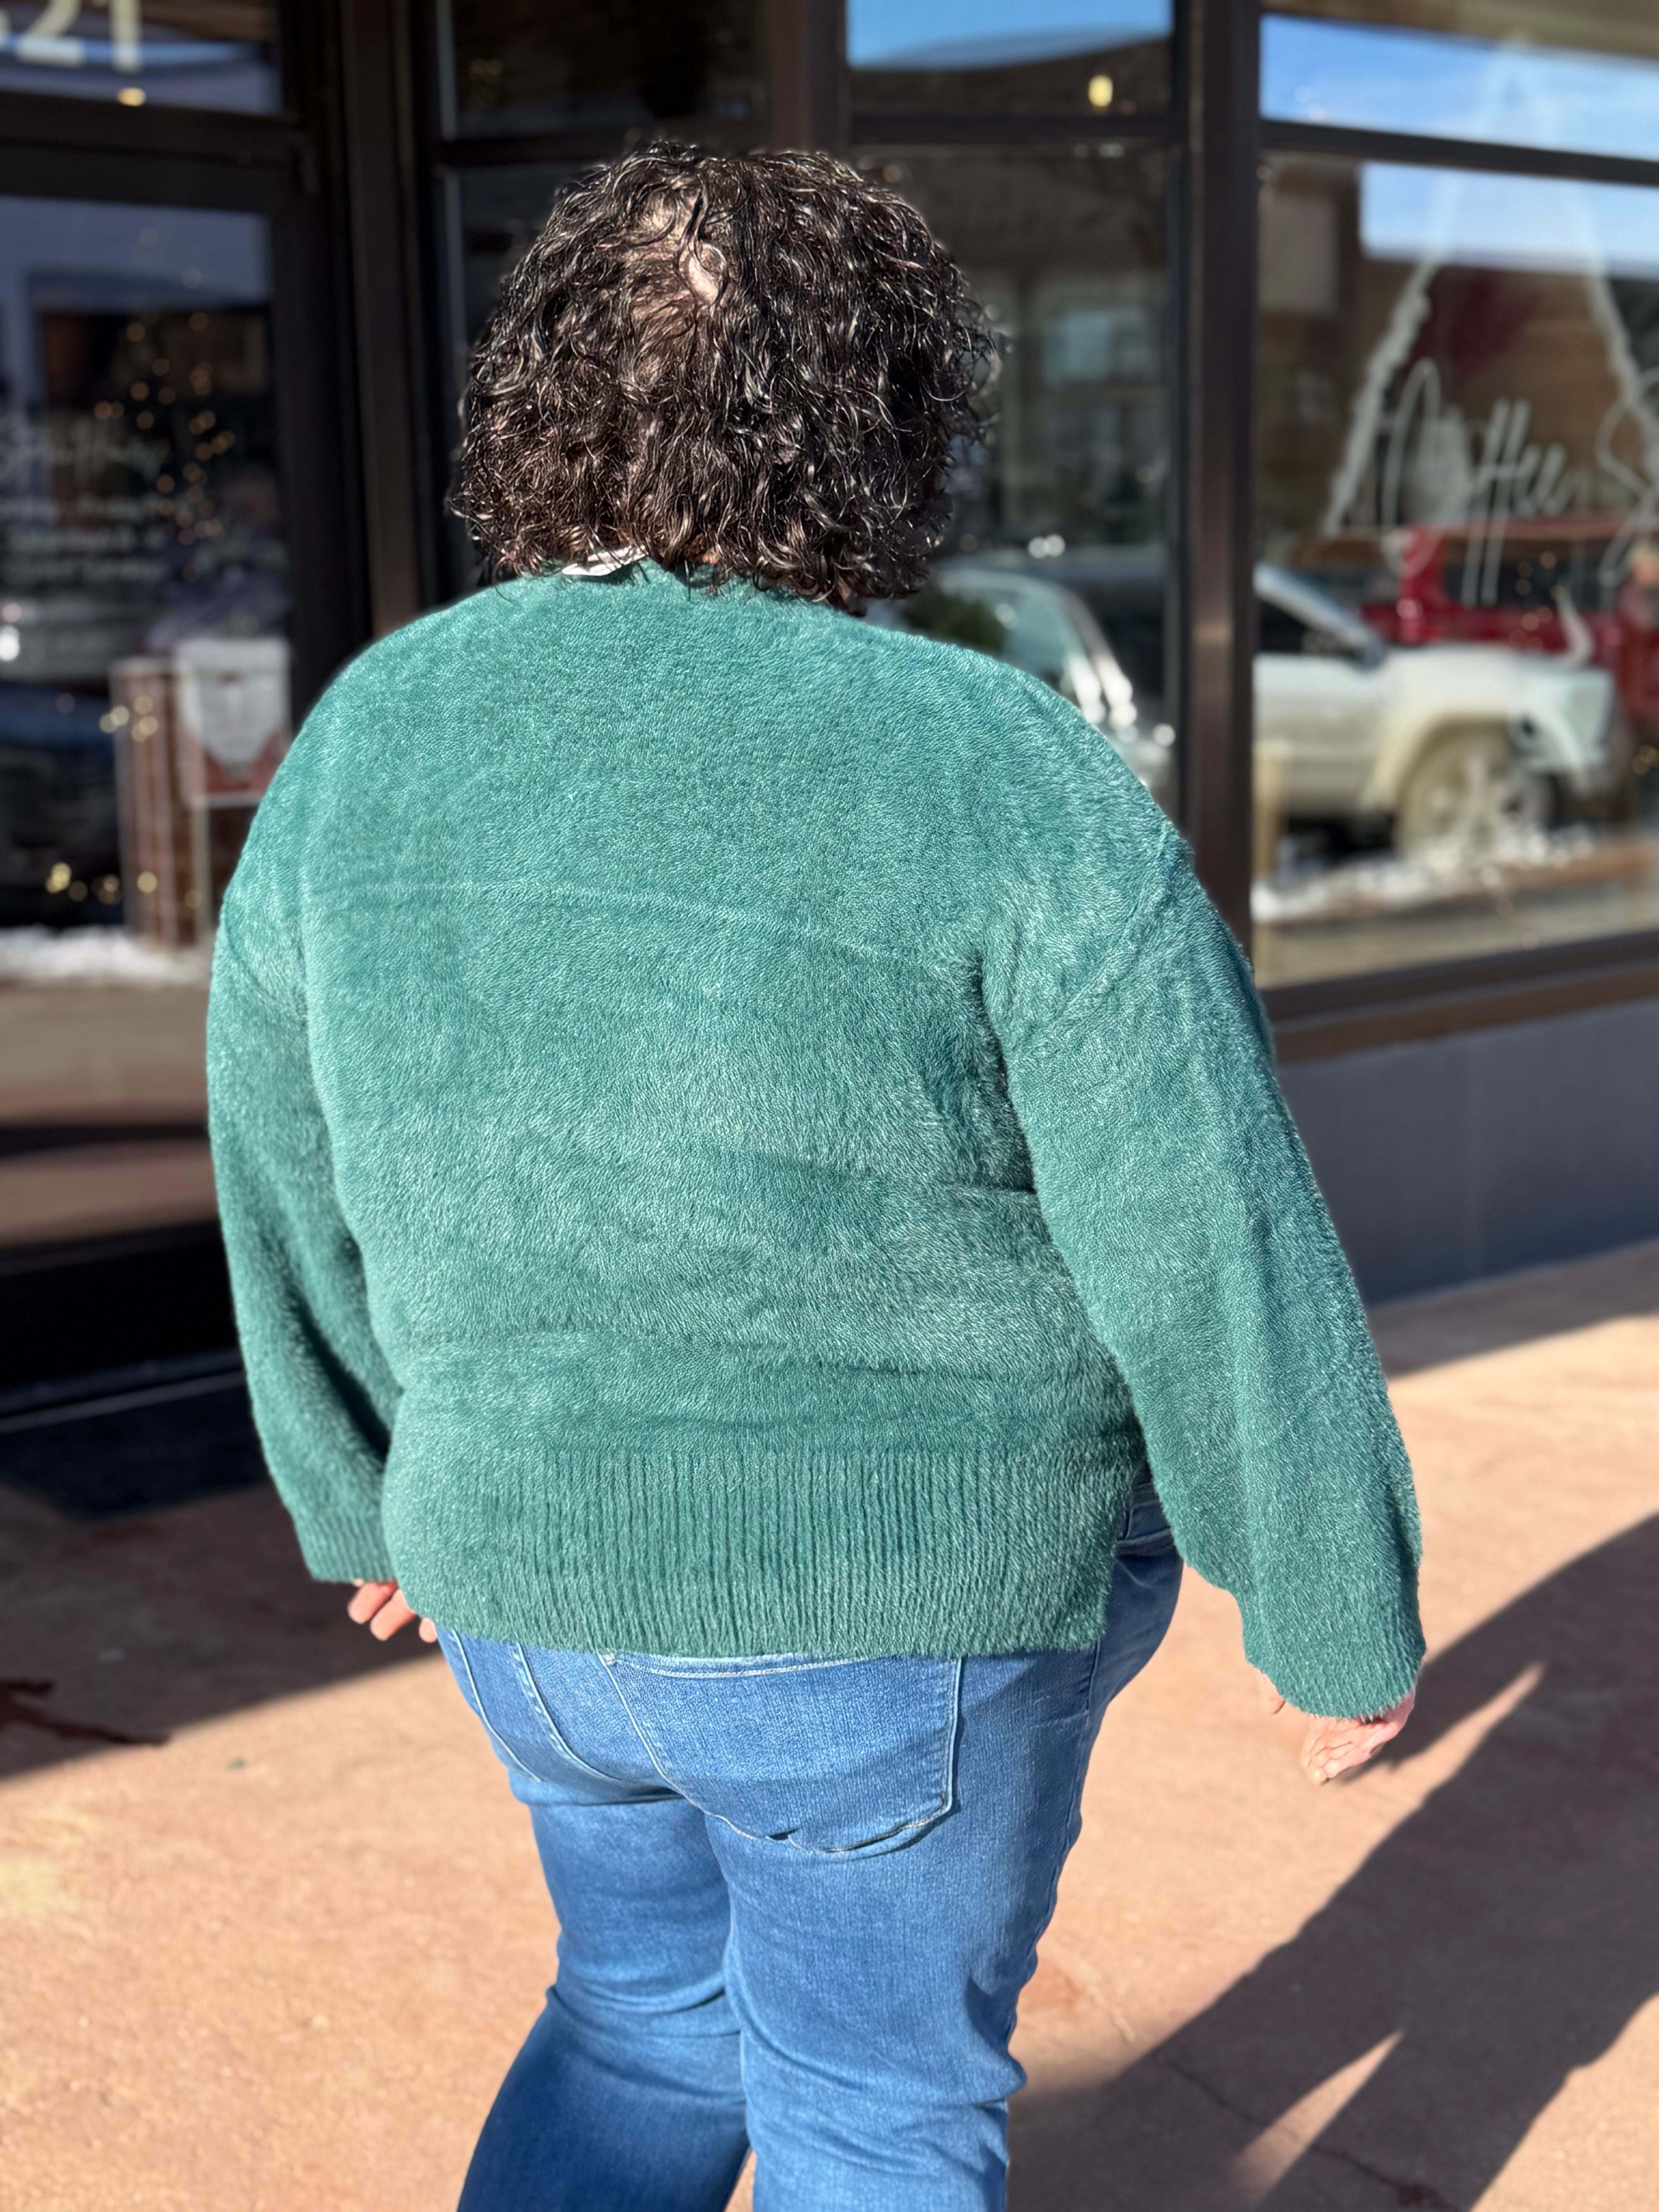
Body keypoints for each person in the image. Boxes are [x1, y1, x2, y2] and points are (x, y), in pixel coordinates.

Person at [207, 144, 1421, 2212]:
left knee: (638, 2026)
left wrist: (362, 1484)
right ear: (889, 423)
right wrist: (1329, 1601)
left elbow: (280, 1142)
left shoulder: (374, 731)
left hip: (531, 1593)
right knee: (873, 2108)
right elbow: (1203, 1224)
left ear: (547, 398)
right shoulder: (992, 765)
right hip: (897, 1614)